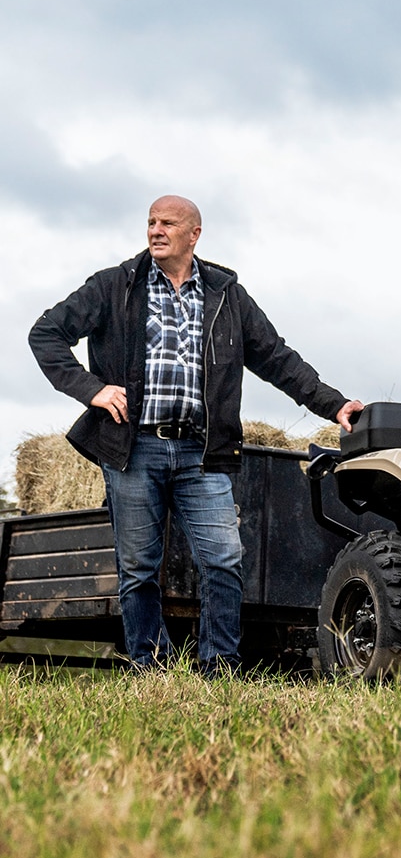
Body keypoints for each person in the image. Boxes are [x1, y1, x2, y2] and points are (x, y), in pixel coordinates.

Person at [28, 195, 363, 674]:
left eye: (168, 223)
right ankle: (151, 663)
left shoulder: (226, 294)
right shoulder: (114, 285)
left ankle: (219, 664)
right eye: (150, 222)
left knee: (223, 559)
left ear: (194, 234)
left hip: (201, 452)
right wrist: (92, 389)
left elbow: (277, 359)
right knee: (139, 567)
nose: (155, 230)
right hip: (132, 448)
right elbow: (46, 333)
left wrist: (335, 404)